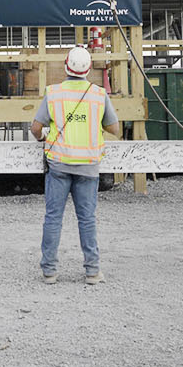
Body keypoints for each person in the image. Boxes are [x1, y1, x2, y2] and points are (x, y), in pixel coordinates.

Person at [31, 46, 119, 285]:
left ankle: (49, 271)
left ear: (66, 66)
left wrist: (42, 139)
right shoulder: (99, 95)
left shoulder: (54, 93)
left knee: (53, 218)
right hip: (88, 167)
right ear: (89, 69)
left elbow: (36, 128)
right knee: (87, 219)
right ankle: (92, 271)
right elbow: (115, 129)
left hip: (59, 164)